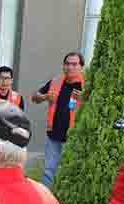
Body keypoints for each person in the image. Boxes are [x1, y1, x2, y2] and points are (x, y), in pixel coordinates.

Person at [31, 52, 86, 188]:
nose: (70, 67)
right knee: (49, 171)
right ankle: (46, 201)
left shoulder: (87, 86)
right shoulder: (56, 81)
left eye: (74, 64)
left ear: (81, 67)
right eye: (67, 64)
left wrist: (85, 100)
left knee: (70, 173)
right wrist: (44, 97)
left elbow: (97, 109)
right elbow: (34, 97)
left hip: (74, 138)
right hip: (53, 135)